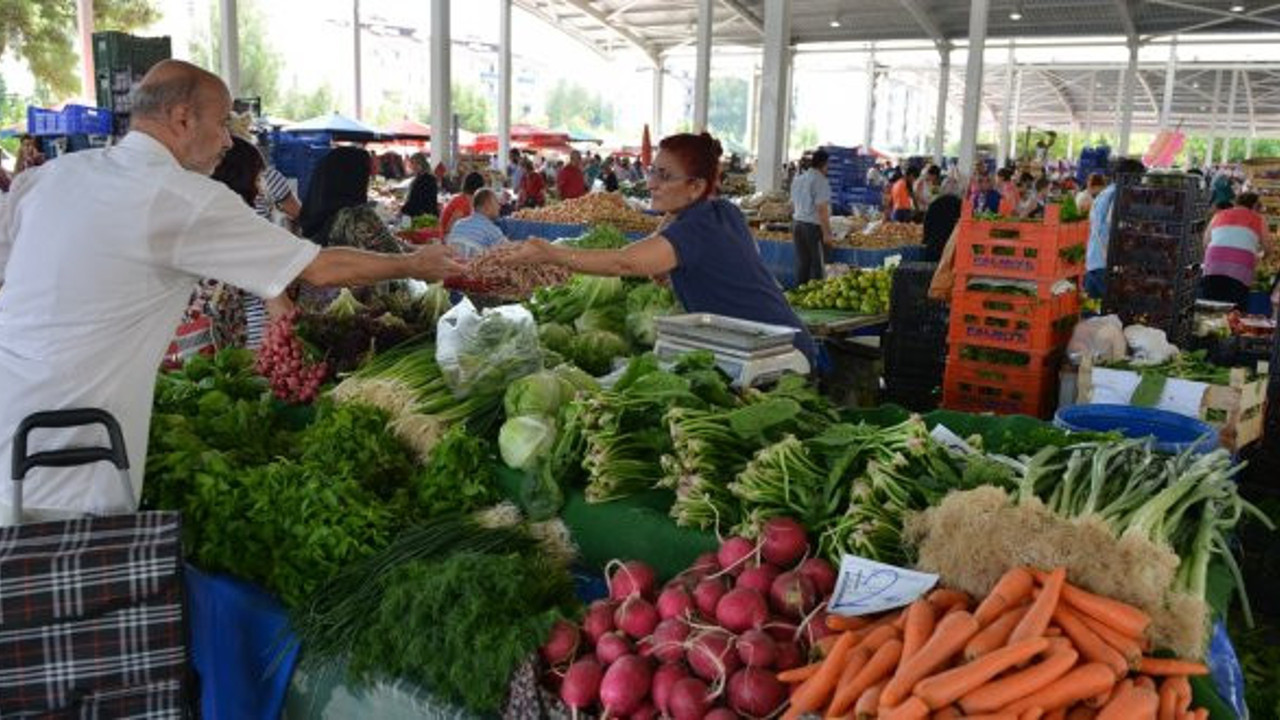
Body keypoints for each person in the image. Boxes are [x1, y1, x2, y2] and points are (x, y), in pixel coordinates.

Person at [0, 60, 460, 522]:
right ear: (182, 118)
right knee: (55, 582)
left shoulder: (50, 177)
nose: (227, 141)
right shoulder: (180, 197)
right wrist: (413, 262)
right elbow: (318, 268)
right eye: (222, 123)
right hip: (64, 463)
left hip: (15, 423)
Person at [494, 132, 817, 362]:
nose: (651, 183)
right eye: (652, 171)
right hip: (773, 343)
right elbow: (671, 248)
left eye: (664, 175)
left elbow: (626, 263)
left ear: (696, 187)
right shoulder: (722, 211)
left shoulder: (698, 228)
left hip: (774, 354)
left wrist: (550, 253)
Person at [298, 147, 402, 254]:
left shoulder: (314, 216)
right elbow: (396, 258)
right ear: (355, 177)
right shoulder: (357, 217)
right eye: (365, 173)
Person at [1084, 158, 1146, 301]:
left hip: (1093, 260)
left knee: (1092, 311)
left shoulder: (1105, 193)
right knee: (1113, 309)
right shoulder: (1118, 194)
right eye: (1139, 178)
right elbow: (1115, 226)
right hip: (1105, 263)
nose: (1140, 183)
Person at [1201, 192, 1266, 310]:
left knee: (1209, 307)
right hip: (1240, 270)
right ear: (1255, 206)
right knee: (1235, 310)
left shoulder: (1219, 214)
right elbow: (1268, 248)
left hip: (1213, 265)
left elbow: (1206, 241)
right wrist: (1260, 257)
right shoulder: (1259, 219)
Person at [790, 148, 834, 285]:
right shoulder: (820, 180)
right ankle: (816, 296)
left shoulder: (798, 179)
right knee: (818, 265)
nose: (828, 169)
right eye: (828, 165)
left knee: (803, 263)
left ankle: (799, 294)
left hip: (797, 225)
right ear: (824, 164)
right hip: (812, 228)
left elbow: (792, 204)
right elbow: (822, 209)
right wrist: (827, 234)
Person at [447, 188, 507, 259]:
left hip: (452, 266)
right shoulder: (491, 229)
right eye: (497, 203)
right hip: (474, 268)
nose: (499, 207)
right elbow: (508, 250)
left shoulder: (458, 224)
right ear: (487, 207)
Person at [922, 192, 962, 263]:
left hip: (933, 250)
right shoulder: (959, 206)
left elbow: (926, 231)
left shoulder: (934, 205)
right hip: (952, 253)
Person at [401, 152, 440, 219]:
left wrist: (402, 211)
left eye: (413, 164)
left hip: (421, 216)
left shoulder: (421, 180)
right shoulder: (431, 178)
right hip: (430, 215)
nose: (412, 167)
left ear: (420, 164)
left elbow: (414, 201)